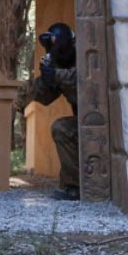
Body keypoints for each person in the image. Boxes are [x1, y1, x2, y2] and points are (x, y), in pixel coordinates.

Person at [28, 22, 80, 201]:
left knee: (62, 128)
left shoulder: (86, 54)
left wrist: (57, 75)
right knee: (62, 128)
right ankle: (73, 185)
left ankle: (75, 186)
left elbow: (83, 76)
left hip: (104, 121)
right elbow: (44, 97)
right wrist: (48, 73)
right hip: (83, 122)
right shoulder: (60, 63)